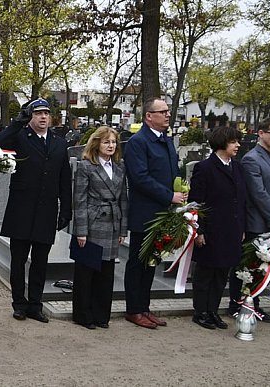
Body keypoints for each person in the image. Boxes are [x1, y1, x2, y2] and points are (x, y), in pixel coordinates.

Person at [0, 98, 72, 323]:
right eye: (38, 113)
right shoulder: (20, 137)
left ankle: (35, 305)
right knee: (18, 261)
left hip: (46, 210)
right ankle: (19, 303)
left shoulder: (58, 143)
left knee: (40, 261)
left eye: (46, 113)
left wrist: (66, 209)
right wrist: (17, 123)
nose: (43, 117)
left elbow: (64, 179)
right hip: (21, 209)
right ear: (31, 117)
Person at [122, 98, 182, 329]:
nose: (168, 115)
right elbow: (140, 178)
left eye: (168, 111)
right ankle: (133, 309)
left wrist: (179, 191)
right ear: (149, 116)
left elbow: (171, 171)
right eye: (163, 112)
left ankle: (144, 307)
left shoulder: (166, 140)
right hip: (145, 213)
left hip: (163, 213)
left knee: (152, 262)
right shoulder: (138, 142)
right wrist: (169, 196)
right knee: (138, 261)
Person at [189, 126, 246, 330]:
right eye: (233, 141)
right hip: (211, 229)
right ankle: (201, 311)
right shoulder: (204, 168)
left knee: (222, 273)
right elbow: (197, 201)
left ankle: (213, 310)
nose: (238, 145)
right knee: (205, 273)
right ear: (222, 142)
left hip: (231, 228)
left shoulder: (237, 168)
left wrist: (241, 227)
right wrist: (199, 230)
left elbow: (241, 200)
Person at [71, 126, 127, 329]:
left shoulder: (120, 167)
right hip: (93, 222)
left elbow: (123, 199)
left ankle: (101, 315)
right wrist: (81, 230)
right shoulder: (86, 166)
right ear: (97, 144)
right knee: (87, 272)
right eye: (106, 142)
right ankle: (84, 315)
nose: (111, 145)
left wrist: (123, 229)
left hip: (112, 223)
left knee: (106, 272)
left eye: (113, 142)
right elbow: (79, 200)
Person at [233, 117, 270, 322]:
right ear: (261, 134)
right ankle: (239, 304)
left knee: (263, 268)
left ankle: (255, 304)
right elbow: (258, 193)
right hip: (257, 221)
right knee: (249, 266)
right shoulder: (252, 159)